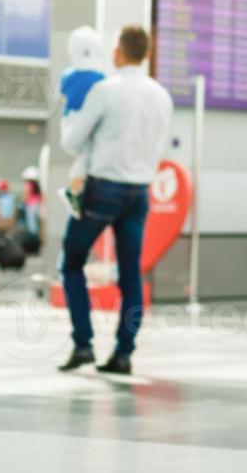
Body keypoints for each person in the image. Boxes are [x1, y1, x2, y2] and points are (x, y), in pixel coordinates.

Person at [55, 25, 174, 376]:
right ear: (148, 54)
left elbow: (73, 142)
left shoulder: (105, 90)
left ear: (117, 53)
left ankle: (83, 343)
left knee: (72, 262)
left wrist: (70, 118)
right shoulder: (161, 95)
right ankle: (124, 353)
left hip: (103, 188)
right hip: (139, 191)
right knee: (130, 274)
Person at [59, 26, 107, 216]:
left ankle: (77, 192)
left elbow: (61, 97)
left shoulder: (67, 75)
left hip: (68, 120)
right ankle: (77, 194)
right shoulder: (100, 77)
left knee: (82, 157)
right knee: (87, 156)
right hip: (88, 121)